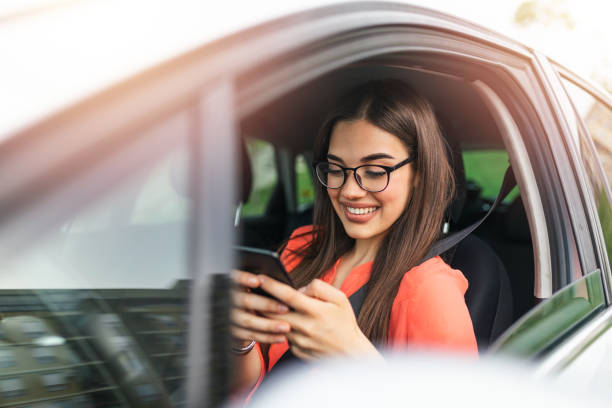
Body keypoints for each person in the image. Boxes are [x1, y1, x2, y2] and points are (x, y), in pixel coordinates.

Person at [229, 79, 477, 402]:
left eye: (375, 171)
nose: (349, 190)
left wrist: (354, 357)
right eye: (336, 169)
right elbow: (252, 388)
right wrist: (240, 338)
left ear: (418, 174)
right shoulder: (302, 248)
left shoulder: (429, 292)